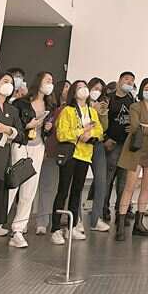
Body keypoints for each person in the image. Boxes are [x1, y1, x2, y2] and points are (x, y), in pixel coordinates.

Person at [51, 80, 103, 245]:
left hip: (85, 155)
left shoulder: (91, 111)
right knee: (63, 190)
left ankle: (72, 226)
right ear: (74, 92)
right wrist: (81, 131)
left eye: (85, 87)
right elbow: (62, 134)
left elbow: (99, 130)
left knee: (77, 191)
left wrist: (90, 134)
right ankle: (55, 228)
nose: (84, 90)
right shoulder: (67, 110)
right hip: (70, 154)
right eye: (79, 87)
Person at [115, 78, 148, 241]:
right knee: (129, 187)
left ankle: (139, 224)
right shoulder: (135, 106)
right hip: (137, 150)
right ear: (142, 90)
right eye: (147, 88)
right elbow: (135, 126)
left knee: (146, 188)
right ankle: (120, 225)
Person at [7, 71, 55, 247]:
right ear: (39, 82)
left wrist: (48, 127)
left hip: (38, 146)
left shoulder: (50, 105)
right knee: (13, 185)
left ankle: (18, 229)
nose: (50, 84)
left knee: (30, 189)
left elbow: (49, 130)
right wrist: (28, 125)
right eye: (47, 80)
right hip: (21, 145)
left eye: (52, 81)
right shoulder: (22, 103)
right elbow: (15, 126)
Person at [0, 72, 26, 261]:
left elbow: (22, 136)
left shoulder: (12, 109)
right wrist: (6, 136)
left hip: (2, 163)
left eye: (11, 82)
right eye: (5, 81)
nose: (9, 85)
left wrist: (8, 130)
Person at [36, 80, 70, 235]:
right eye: (65, 86)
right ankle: (42, 222)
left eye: (70, 87)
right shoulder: (50, 108)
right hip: (51, 150)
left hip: (68, 151)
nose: (68, 89)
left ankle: (64, 218)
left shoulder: (74, 109)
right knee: (47, 186)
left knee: (65, 187)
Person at [103, 71, 136, 222]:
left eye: (131, 81)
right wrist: (106, 138)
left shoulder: (132, 100)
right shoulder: (109, 99)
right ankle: (103, 209)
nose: (129, 83)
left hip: (127, 145)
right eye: (126, 79)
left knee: (123, 180)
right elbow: (100, 120)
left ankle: (121, 212)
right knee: (107, 178)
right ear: (119, 81)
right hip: (112, 144)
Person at [86, 78, 110, 233]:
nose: (97, 92)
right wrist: (91, 109)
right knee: (77, 182)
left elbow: (104, 127)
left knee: (101, 181)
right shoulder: (81, 104)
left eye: (100, 90)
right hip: (82, 145)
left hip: (98, 145)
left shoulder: (101, 105)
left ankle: (96, 219)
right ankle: (76, 220)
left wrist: (102, 113)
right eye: (95, 88)